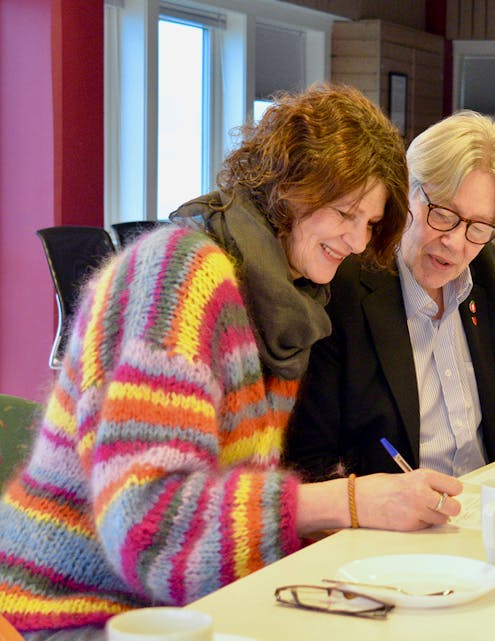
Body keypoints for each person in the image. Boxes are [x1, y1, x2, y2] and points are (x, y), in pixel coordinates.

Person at [0, 84, 462, 640]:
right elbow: (154, 532)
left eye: (370, 223)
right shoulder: (179, 275)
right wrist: (347, 502)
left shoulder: (281, 304)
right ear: (287, 187)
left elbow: (221, 523)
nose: (358, 242)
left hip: (185, 605)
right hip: (78, 612)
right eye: (345, 213)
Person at [286, 110, 495, 481]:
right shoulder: (344, 284)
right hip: (393, 521)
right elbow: (310, 452)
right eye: (443, 214)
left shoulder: (487, 269)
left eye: (479, 227)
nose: (456, 243)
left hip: (484, 502)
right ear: (405, 191)